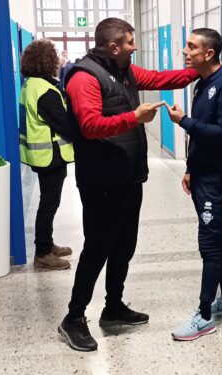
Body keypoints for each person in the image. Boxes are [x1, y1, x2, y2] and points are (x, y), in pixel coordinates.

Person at [57, 18, 199, 352]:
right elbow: (91, 126)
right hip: (100, 181)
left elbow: (163, 78)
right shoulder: (84, 77)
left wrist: (203, 68)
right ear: (113, 46)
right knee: (97, 249)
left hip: (127, 177)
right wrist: (134, 118)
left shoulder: (126, 71)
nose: (135, 47)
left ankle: (113, 307)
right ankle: (73, 318)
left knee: (124, 246)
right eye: (130, 42)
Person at [165, 28, 222, 341]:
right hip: (202, 173)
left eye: (191, 47)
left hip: (218, 177)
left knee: (209, 242)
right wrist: (190, 168)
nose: (185, 52)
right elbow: (201, 135)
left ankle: (204, 315)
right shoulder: (202, 84)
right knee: (217, 236)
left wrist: (184, 121)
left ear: (209, 53)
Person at [18, 39, 76, 271]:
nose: (58, 63)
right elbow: (65, 125)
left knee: (48, 202)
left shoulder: (30, 84)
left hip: (41, 156)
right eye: (55, 59)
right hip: (50, 156)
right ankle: (43, 252)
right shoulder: (44, 90)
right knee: (49, 203)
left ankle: (47, 244)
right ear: (47, 61)